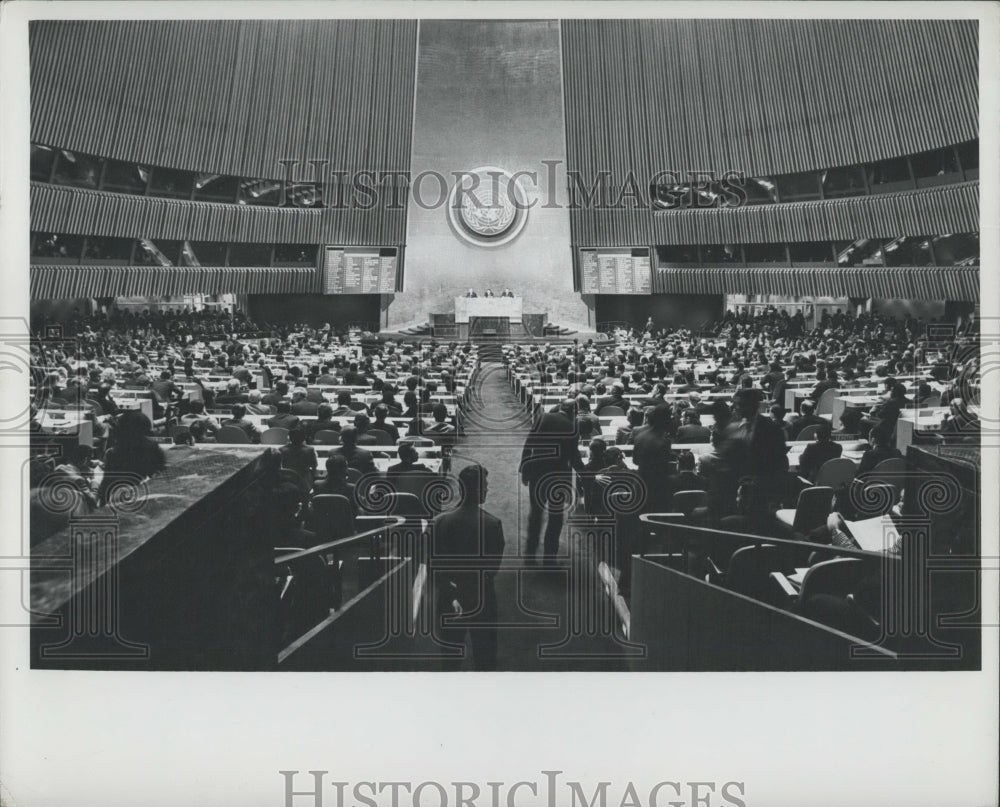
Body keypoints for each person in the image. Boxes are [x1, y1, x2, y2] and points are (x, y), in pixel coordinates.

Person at [430, 464, 504, 671]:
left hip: (448, 596)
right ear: (477, 490)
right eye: (485, 486)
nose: (487, 490)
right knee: (486, 657)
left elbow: (433, 564)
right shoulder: (492, 524)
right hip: (482, 596)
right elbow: (491, 569)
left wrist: (452, 591)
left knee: (450, 659)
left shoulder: (438, 522)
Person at [519, 401, 584, 563]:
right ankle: (549, 558)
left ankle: (529, 555)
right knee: (556, 517)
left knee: (535, 514)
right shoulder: (572, 427)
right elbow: (574, 457)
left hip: (537, 472)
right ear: (573, 412)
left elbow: (529, 442)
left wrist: (524, 469)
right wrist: (586, 473)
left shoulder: (543, 417)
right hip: (558, 476)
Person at [99, 410, 166, 504]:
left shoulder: (114, 453)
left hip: (121, 501)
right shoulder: (153, 449)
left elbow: (107, 485)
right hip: (150, 498)